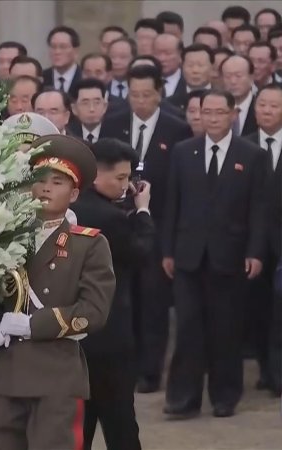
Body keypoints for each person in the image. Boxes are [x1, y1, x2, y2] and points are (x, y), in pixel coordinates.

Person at [0, 134, 116, 450]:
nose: (46, 188)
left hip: (56, 372)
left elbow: (94, 311)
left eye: (58, 182)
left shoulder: (89, 244)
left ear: (75, 193)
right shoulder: (6, 239)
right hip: (7, 370)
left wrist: (33, 325)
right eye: (39, 180)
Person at [163, 89, 267, 419]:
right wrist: (167, 250)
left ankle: (225, 397)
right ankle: (183, 399)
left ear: (233, 114)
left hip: (231, 255)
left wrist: (255, 251)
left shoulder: (252, 155)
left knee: (226, 330)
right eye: (205, 112)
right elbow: (171, 205)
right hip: (187, 256)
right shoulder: (183, 152)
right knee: (189, 329)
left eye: (219, 112)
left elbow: (259, 210)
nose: (211, 118)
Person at [100, 64, 193, 393]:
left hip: (158, 226)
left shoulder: (177, 129)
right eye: (134, 95)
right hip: (119, 227)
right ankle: (127, 365)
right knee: (124, 301)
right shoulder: (111, 123)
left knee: (153, 304)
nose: (140, 101)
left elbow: (180, 187)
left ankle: (151, 370)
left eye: (147, 95)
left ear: (159, 93)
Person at [0, 113, 61, 426]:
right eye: (15, 153)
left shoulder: (66, 218)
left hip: (45, 340)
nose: (23, 163)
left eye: (31, 155)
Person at [72, 138, 154, 450]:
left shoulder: (72, 209)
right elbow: (141, 253)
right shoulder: (111, 218)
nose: (125, 186)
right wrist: (143, 211)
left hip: (75, 335)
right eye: (120, 178)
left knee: (81, 425)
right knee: (120, 423)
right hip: (111, 336)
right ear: (95, 174)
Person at [242, 83, 282, 397]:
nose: (266, 111)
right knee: (258, 309)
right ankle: (266, 371)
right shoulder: (244, 147)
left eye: (274, 106)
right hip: (252, 244)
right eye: (262, 105)